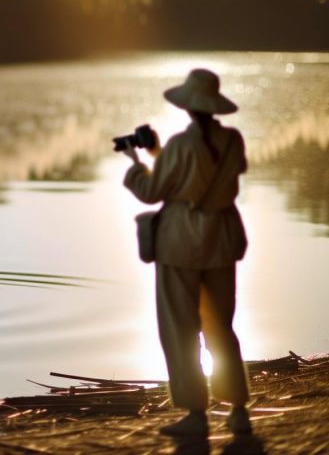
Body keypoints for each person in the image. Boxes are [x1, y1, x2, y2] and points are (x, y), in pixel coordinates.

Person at [122, 68, 252, 437]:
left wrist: (137, 163)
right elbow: (204, 174)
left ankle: (196, 415)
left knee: (180, 329)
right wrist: (159, 152)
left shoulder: (180, 145)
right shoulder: (233, 140)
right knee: (220, 327)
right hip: (221, 241)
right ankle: (238, 410)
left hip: (180, 244)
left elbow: (153, 191)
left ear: (188, 107)